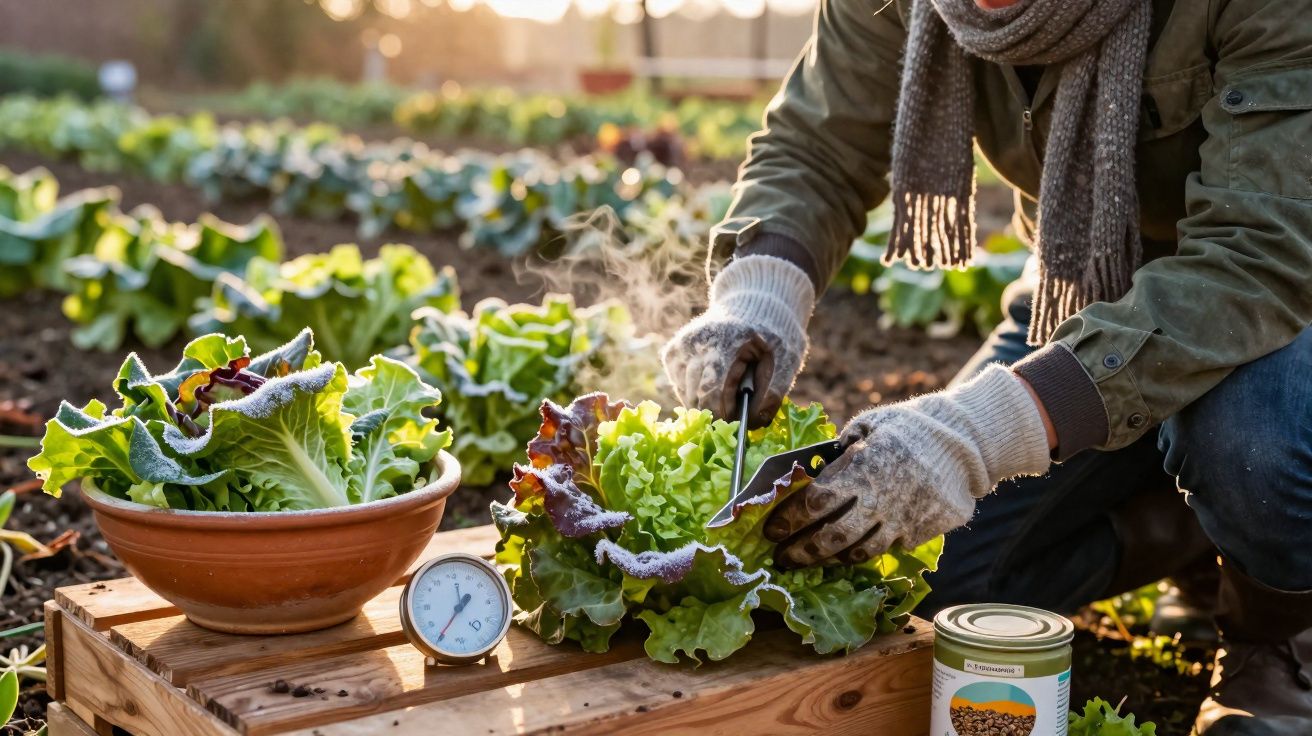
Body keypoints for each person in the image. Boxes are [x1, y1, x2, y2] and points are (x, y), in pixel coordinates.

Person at [660, 0, 1312, 733]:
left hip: (1281, 288)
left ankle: (1281, 639)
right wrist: (761, 289)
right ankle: (1194, 524)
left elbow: (1259, 255)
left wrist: (979, 432)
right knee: (937, 580)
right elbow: (818, 144)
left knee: (1252, 438)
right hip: (1088, 296)